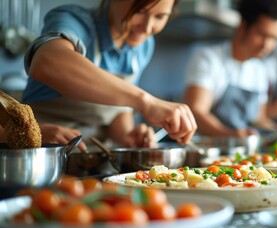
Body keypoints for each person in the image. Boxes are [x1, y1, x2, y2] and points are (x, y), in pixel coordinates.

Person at [22, 0, 197, 148]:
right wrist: (147, 102)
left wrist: (126, 135)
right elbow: (47, 62)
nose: (147, 27)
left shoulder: (142, 47)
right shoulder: (75, 21)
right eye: (139, 12)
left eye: (160, 16)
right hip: (43, 157)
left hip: (92, 161)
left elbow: (117, 109)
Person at [184, 0, 277, 137]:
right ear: (243, 27)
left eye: (274, 38)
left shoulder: (259, 70)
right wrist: (230, 135)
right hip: (211, 148)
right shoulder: (209, 58)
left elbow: (258, 118)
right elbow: (196, 112)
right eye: (262, 35)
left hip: (243, 151)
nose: (267, 45)